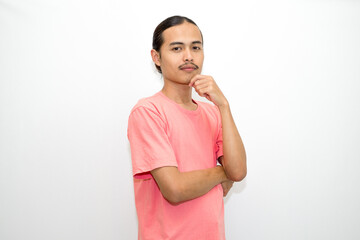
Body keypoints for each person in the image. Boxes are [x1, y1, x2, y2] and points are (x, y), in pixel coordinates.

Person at [127, 15, 247, 240]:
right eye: (176, 48)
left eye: (196, 47)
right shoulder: (148, 111)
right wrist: (222, 173)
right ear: (157, 57)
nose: (189, 56)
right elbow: (175, 189)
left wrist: (224, 105)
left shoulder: (213, 111)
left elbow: (239, 171)